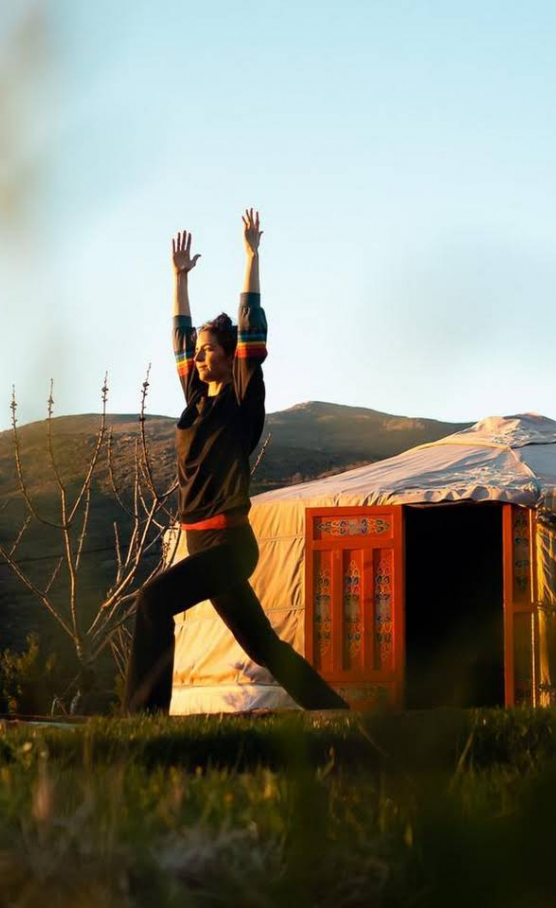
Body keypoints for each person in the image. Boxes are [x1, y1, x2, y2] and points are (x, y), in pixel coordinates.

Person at [123, 209, 349, 713]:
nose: (198, 358)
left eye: (208, 352)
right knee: (262, 645)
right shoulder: (197, 401)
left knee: (151, 603)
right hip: (200, 540)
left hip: (228, 542)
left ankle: (142, 718)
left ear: (230, 356)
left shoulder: (241, 402)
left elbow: (249, 327)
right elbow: (180, 336)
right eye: (198, 352)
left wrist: (251, 257)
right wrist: (179, 280)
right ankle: (332, 710)